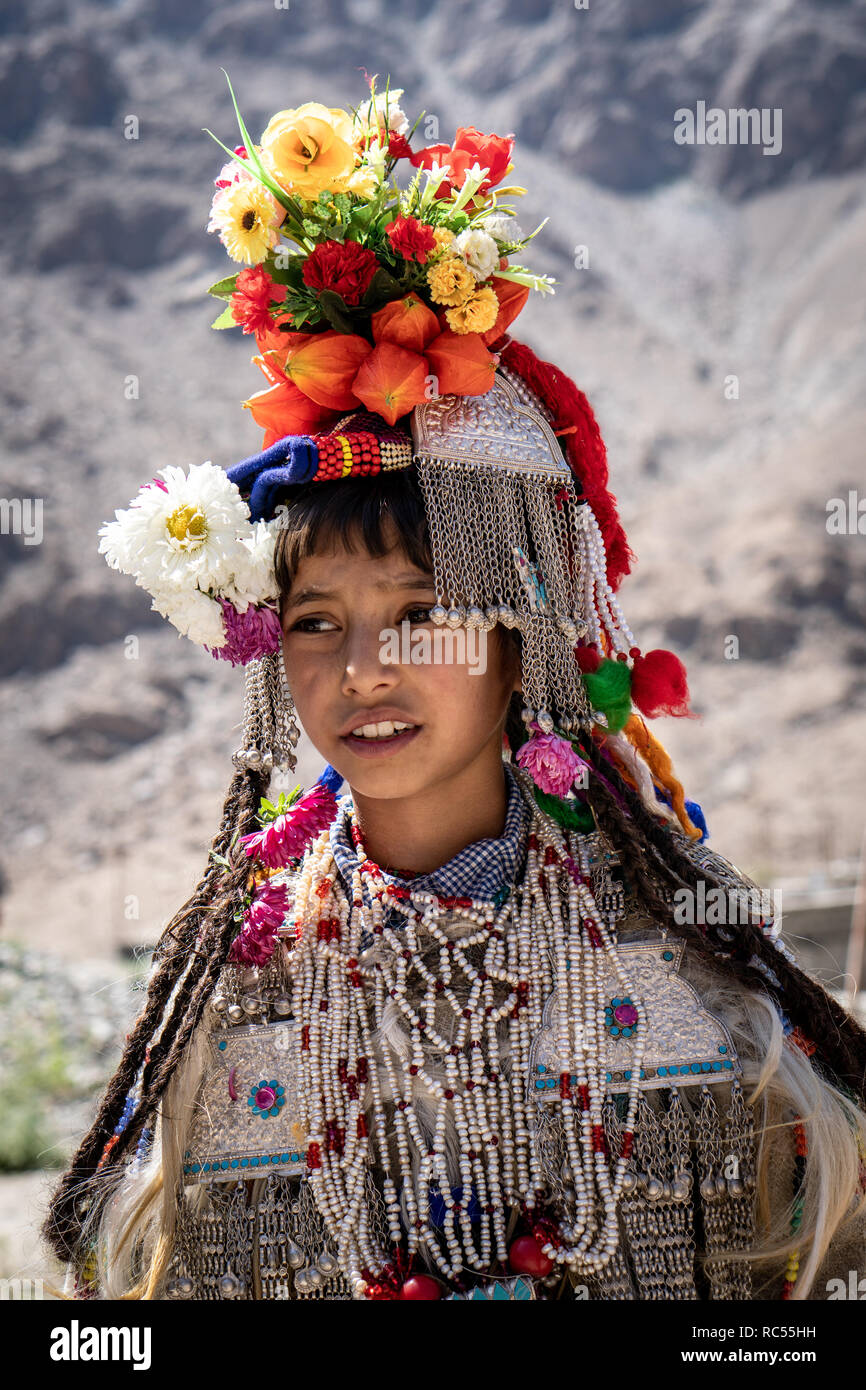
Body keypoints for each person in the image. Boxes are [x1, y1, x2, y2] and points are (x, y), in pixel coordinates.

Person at [42, 76, 866, 1302]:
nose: (361, 668)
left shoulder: (701, 979)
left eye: (422, 614)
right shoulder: (236, 994)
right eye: (314, 620)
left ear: (519, 639)